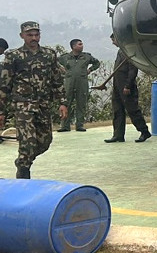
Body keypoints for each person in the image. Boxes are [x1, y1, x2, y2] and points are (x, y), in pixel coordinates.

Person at [0, 22, 67, 179]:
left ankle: (23, 161)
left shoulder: (49, 55)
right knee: (28, 144)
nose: (34, 38)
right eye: (30, 35)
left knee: (45, 142)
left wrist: (63, 102)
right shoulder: (13, 57)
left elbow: (57, 80)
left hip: (43, 106)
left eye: (36, 35)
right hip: (23, 107)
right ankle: (23, 174)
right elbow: (4, 86)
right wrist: (1, 112)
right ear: (22, 36)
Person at [102, 34, 151, 143]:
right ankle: (118, 135)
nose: (113, 42)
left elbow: (132, 70)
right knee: (117, 110)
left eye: (113, 40)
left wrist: (128, 85)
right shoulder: (121, 51)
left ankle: (144, 131)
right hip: (117, 85)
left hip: (126, 86)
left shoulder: (129, 52)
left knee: (132, 110)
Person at [58, 38, 101, 132]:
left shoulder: (87, 57)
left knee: (81, 103)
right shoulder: (65, 57)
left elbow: (97, 63)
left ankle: (80, 125)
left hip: (82, 82)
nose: (82, 46)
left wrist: (90, 70)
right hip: (69, 83)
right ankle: (65, 126)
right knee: (66, 103)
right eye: (80, 44)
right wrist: (60, 68)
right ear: (73, 46)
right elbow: (54, 61)